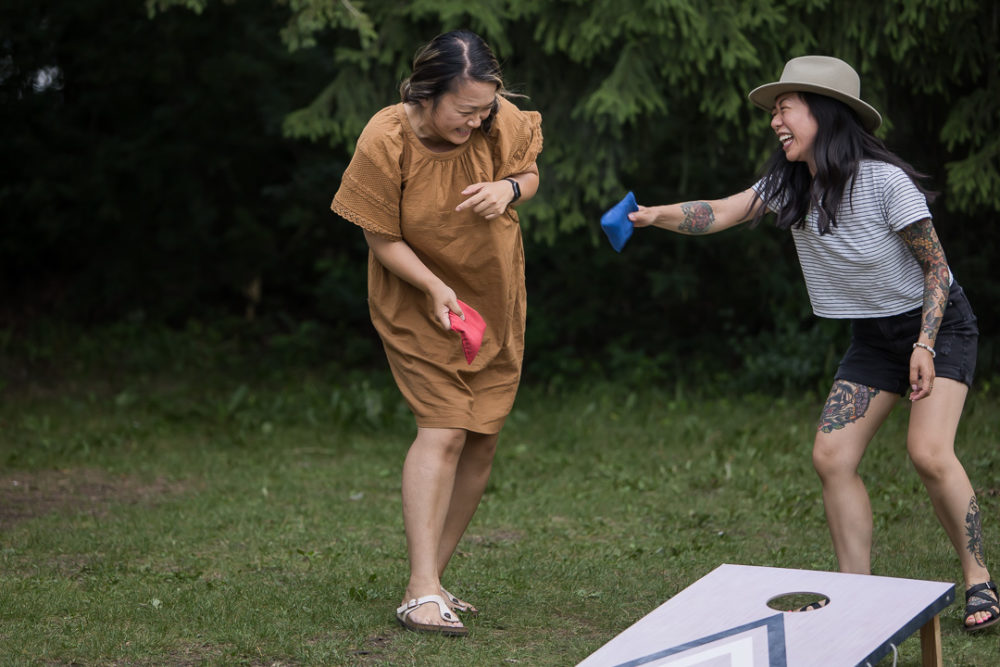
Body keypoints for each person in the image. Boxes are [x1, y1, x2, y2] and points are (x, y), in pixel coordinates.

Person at [627, 55, 997, 631]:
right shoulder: (788, 181)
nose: (775, 121)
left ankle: (979, 580)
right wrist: (656, 216)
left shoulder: (883, 181)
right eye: (774, 111)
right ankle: (858, 594)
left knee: (928, 452)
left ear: (824, 114)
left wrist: (924, 344)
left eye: (785, 108)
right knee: (832, 456)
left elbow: (936, 269)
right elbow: (723, 211)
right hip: (874, 336)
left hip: (937, 322)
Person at [331, 30, 542, 636]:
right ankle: (421, 588)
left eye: (486, 109)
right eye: (465, 110)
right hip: (418, 299)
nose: (478, 122)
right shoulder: (386, 138)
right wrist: (434, 289)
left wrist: (507, 188)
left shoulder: (495, 120)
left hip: (493, 295)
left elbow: (528, 176)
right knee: (445, 427)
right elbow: (379, 235)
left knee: (482, 437)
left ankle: (430, 585)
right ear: (426, 94)